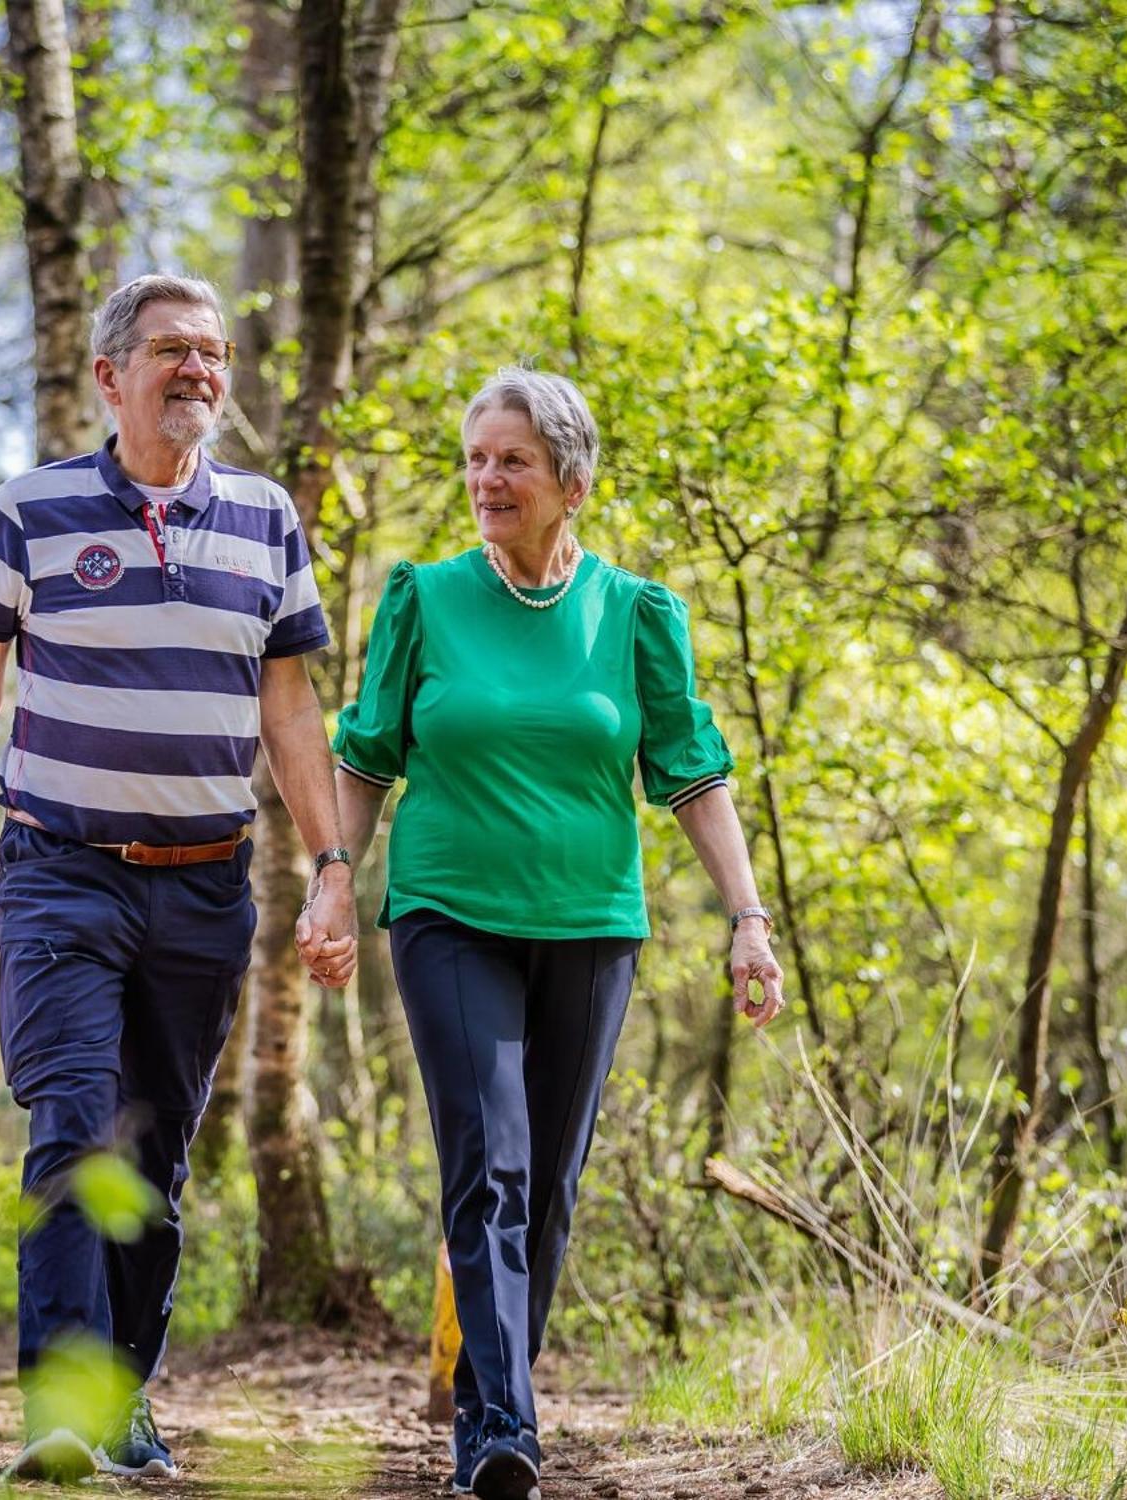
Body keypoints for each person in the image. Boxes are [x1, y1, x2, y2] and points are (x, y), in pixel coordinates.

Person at [0, 273, 357, 1482]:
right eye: (172, 350)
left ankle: (120, 1405)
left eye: (214, 350)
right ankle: (56, 1406)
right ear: (111, 376)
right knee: (70, 1128)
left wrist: (331, 867)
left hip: (205, 889)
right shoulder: (33, 511)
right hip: (58, 873)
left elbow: (291, 712)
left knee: (152, 1159)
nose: (201, 368)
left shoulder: (264, 519)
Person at [322, 368, 784, 1500]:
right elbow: (366, 752)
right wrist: (333, 881)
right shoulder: (422, 599)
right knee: (491, 1160)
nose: (486, 480)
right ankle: (498, 1431)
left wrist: (747, 918)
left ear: (570, 482)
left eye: (511, 461)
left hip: (590, 925)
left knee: (553, 1184)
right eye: (475, 459)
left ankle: (493, 1396)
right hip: (445, 913)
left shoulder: (634, 612)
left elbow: (690, 775)